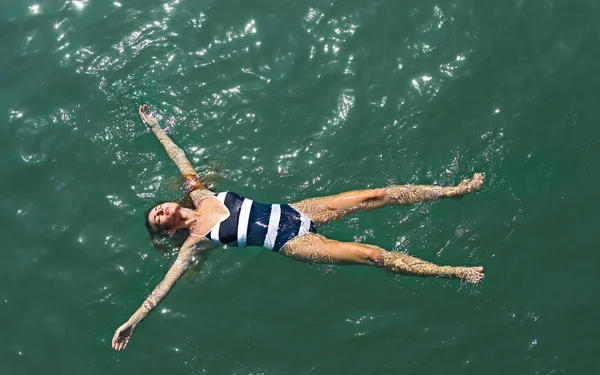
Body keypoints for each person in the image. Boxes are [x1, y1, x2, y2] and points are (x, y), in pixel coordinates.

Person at [111, 104, 485, 351]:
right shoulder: (193, 244)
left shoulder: (199, 193)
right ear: (168, 230)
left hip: (296, 209)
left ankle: (452, 191)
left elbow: (179, 156)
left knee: (376, 194)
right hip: (292, 241)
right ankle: (452, 272)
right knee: (372, 255)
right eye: (157, 219)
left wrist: (156, 126)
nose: (159, 211)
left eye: (156, 209)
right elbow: (163, 287)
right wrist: (133, 322)